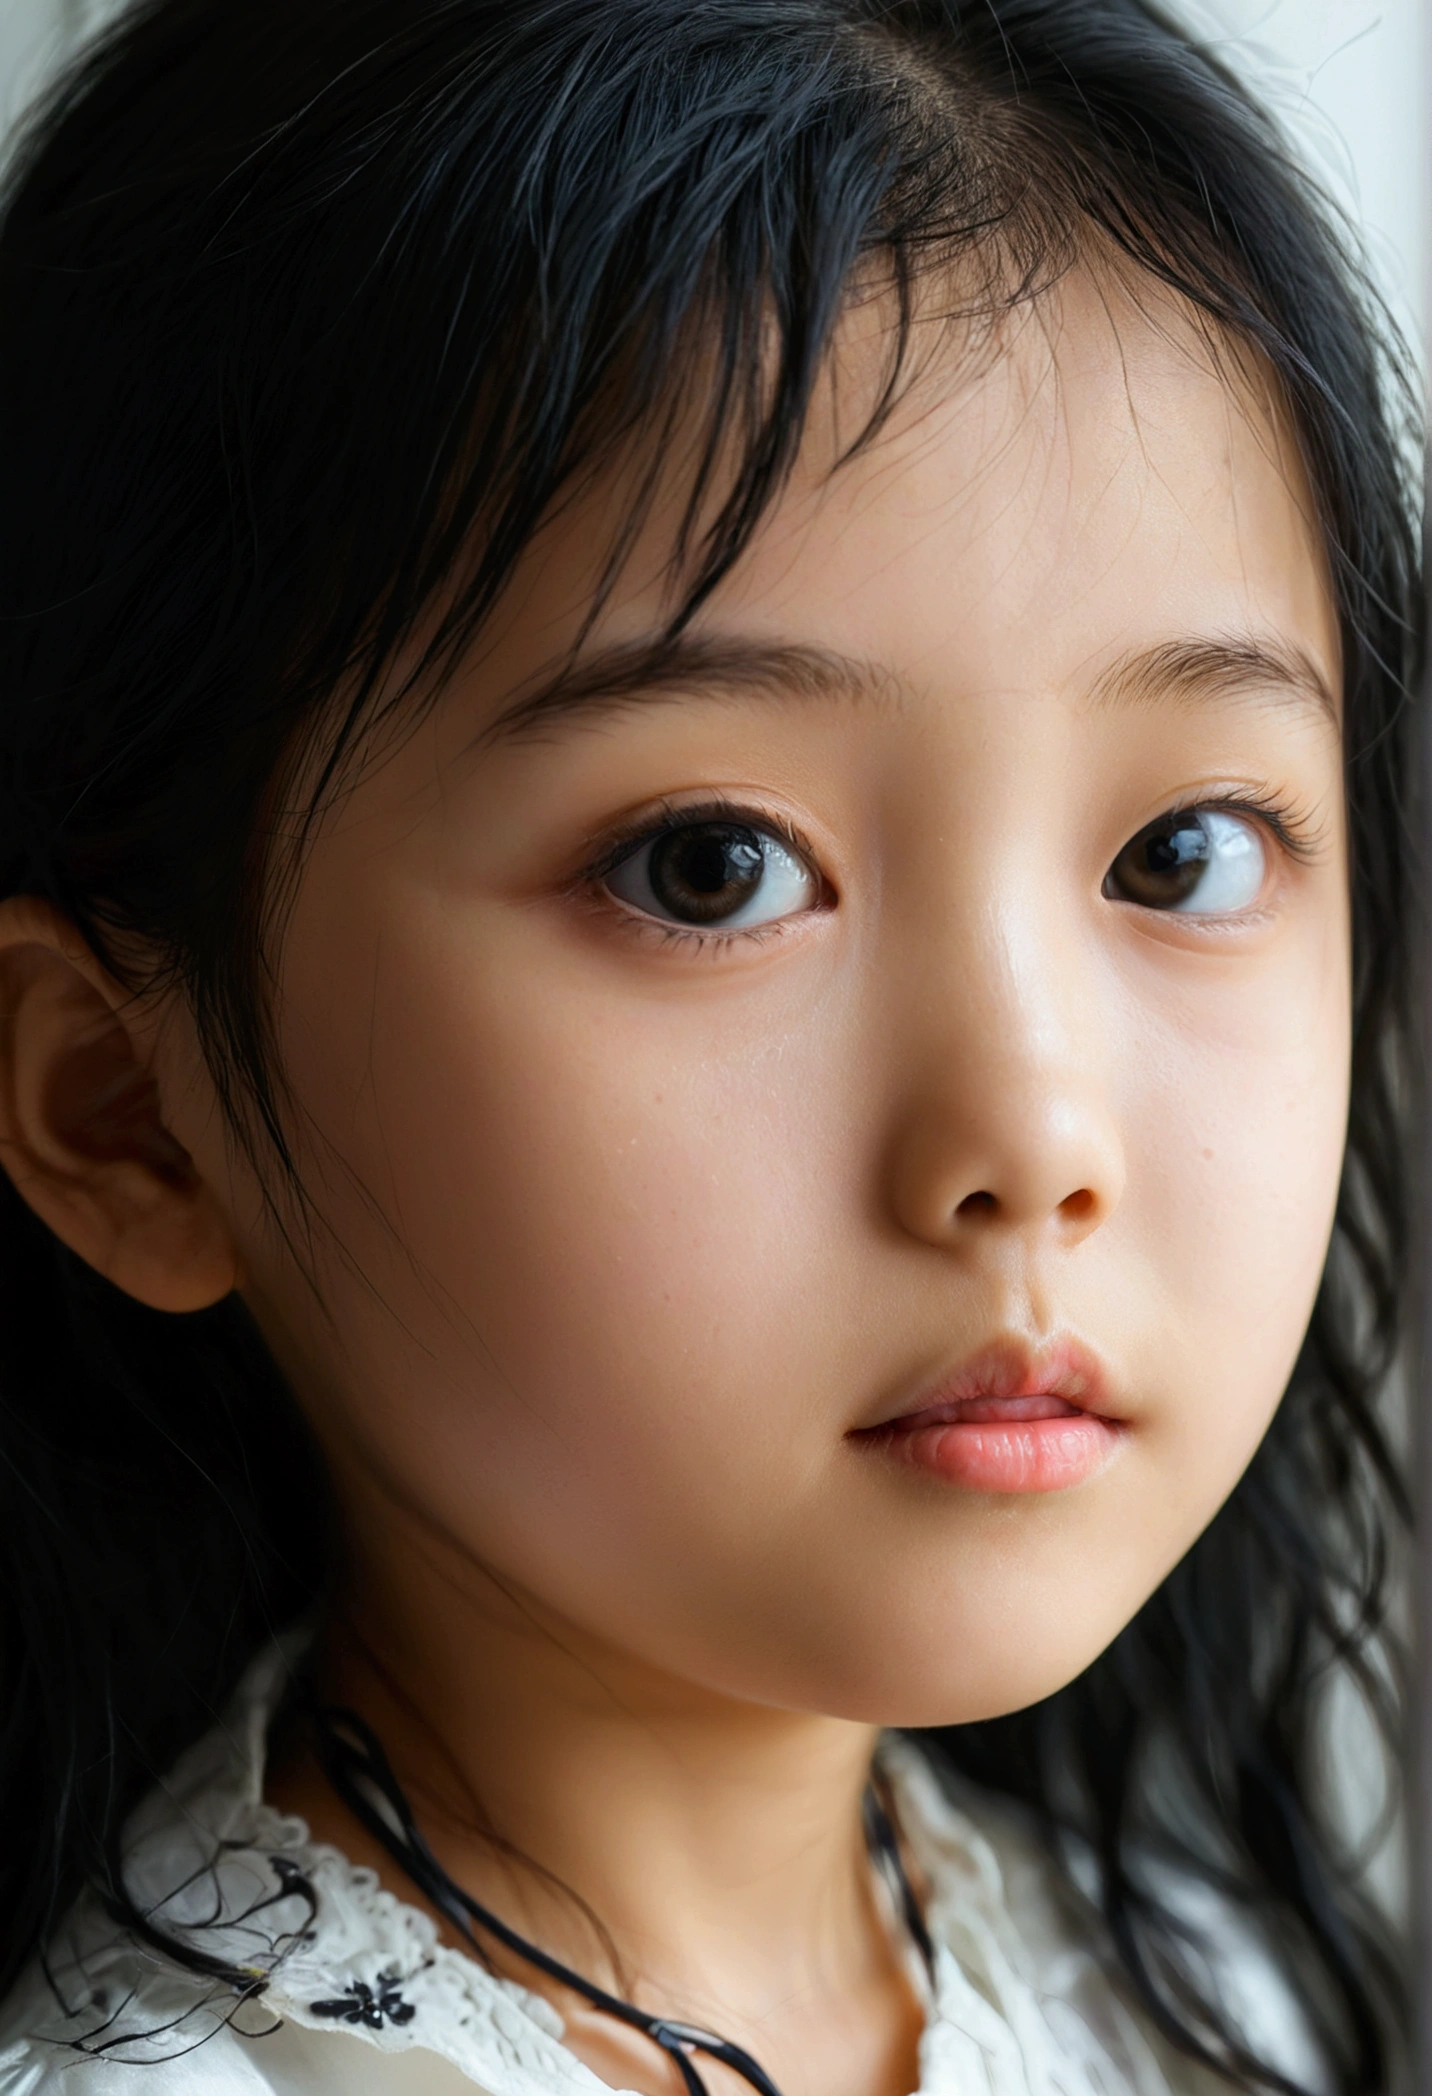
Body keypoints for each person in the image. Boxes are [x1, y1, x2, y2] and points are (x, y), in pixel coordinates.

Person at [0, 1, 1418, 2091]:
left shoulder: (1208, 2005)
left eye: (1176, 849)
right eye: (704, 869)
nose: (1029, 1134)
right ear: (131, 1113)